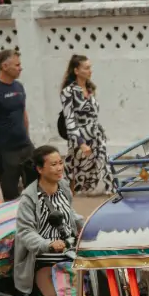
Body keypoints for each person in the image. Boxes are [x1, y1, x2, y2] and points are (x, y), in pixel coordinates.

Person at [14, 145, 84, 296]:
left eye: (60, 163)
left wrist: (86, 226)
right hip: (42, 260)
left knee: (89, 292)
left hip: (68, 255)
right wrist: (48, 244)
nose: (59, 168)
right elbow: (25, 233)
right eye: (53, 164)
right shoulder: (29, 198)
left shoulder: (63, 188)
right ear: (39, 169)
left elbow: (70, 215)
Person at [0, 47, 35, 201]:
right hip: (5, 152)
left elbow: (23, 113)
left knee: (35, 189)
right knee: (10, 193)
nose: (20, 68)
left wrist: (27, 139)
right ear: (4, 66)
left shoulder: (19, 87)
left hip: (25, 147)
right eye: (17, 65)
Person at [59, 54, 109, 194]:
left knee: (104, 169)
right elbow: (69, 120)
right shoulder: (68, 92)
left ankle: (107, 199)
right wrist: (81, 143)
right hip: (79, 139)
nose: (90, 71)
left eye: (90, 67)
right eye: (86, 68)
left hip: (97, 137)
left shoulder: (90, 89)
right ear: (76, 71)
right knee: (78, 176)